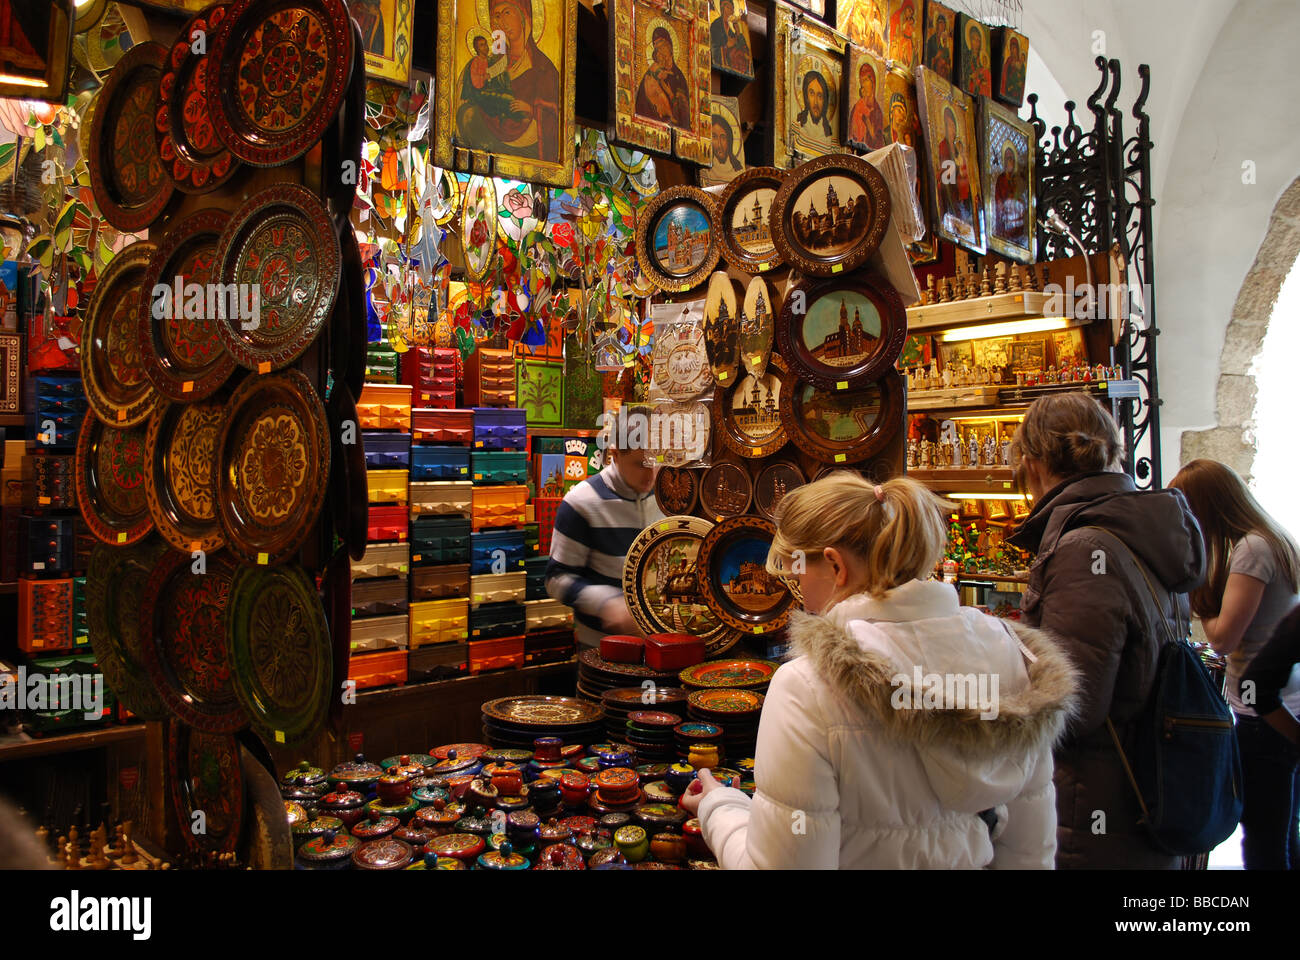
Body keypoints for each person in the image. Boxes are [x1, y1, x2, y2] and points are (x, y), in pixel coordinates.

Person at [682, 474, 1079, 868]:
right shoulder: (1009, 653)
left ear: (835, 566)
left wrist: (721, 808)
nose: (798, 592)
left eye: (798, 574)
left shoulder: (807, 686)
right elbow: (1030, 853)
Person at [1005, 392, 1207, 869]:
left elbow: (1072, 704)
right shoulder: (1141, 529)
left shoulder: (1084, 547)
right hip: (1146, 787)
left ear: (1032, 464)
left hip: (1097, 807)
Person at [1168, 459, 1300, 869]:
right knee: (1283, 833)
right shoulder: (1273, 537)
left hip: (1266, 716)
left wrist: (1198, 596)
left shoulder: (1252, 550)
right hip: (1288, 703)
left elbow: (1223, 639)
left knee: (1264, 842)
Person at [546, 404, 665, 647]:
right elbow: (556, 578)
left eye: (656, 461)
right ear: (615, 455)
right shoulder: (581, 502)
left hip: (661, 646)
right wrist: (606, 603)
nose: (651, 474)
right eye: (640, 464)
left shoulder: (667, 496)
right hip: (601, 650)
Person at [455, 0, 562, 161]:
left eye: (507, 13)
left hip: (526, 149)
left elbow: (555, 114)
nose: (501, 22)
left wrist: (532, 110)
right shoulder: (493, 60)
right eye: (497, 16)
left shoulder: (543, 68)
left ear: (524, 17)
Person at [636, 27, 692, 128]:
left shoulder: (680, 77)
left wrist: (680, 102)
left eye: (662, 46)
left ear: (670, 46)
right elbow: (641, 106)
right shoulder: (651, 73)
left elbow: (685, 117)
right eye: (657, 49)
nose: (660, 52)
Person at [847, 61, 885, 151]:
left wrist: (869, 126)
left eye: (865, 80)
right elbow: (851, 135)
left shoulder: (878, 112)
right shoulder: (857, 107)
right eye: (861, 81)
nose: (863, 85)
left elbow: (879, 143)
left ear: (873, 82)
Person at [797, 70, 833, 138]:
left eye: (820, 96)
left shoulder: (827, 133)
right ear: (806, 96)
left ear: (824, 100)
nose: (815, 102)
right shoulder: (797, 126)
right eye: (812, 94)